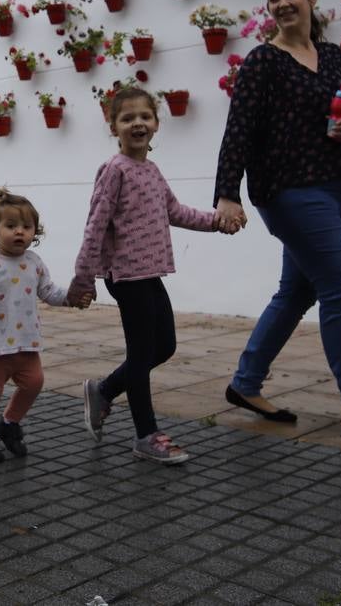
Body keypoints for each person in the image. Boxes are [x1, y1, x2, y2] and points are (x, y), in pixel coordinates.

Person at [214, 0, 341, 453]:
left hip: (335, 190)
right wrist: (227, 193)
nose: (283, 3)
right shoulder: (263, 61)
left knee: (296, 292)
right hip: (287, 191)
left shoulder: (333, 57)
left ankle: (246, 382)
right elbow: (238, 129)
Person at [72, 87, 234, 464]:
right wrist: (84, 276)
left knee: (165, 347)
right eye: (127, 118)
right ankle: (146, 434)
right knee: (142, 353)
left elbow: (174, 211)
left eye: (144, 117)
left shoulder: (152, 171)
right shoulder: (114, 170)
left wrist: (217, 222)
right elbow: (95, 225)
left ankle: (105, 390)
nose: (137, 124)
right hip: (126, 276)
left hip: (150, 272)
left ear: (157, 124)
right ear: (114, 127)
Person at [0, 188, 87, 463]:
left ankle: (8, 424)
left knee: (34, 383)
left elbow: (49, 292)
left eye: (27, 227)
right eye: (11, 226)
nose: (20, 232)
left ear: (35, 232)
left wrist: (72, 298)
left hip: (25, 343)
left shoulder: (34, 262)